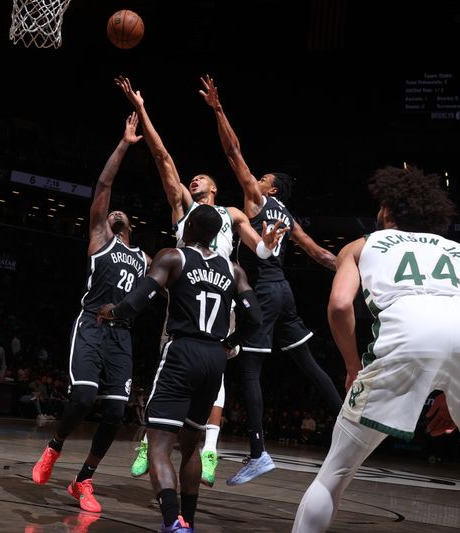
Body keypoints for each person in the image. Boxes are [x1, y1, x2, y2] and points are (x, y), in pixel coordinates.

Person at [292, 166, 460, 533]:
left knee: (335, 473)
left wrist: (352, 366)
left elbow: (341, 305)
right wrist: (458, 393)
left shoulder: (362, 244)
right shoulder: (456, 250)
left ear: (388, 211)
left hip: (410, 330)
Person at [116, 75, 280, 487]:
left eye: (202, 177)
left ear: (215, 187)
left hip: (222, 291)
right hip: (187, 290)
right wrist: (142, 109)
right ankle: (150, 441)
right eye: (194, 178)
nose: (195, 179)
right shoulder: (184, 209)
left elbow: (259, 252)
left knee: (216, 372)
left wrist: (271, 243)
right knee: (170, 363)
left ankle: (209, 450)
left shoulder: (232, 214)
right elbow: (163, 158)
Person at [198, 75, 342, 485]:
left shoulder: (259, 201)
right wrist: (358, 273)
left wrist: (218, 109)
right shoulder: (290, 219)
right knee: (307, 362)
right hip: (286, 292)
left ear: (271, 187)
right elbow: (320, 254)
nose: (254, 179)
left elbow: (233, 152)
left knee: (249, 372)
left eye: (261, 177)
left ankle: (258, 452)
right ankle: (347, 420)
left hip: (261, 291)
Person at [97, 204, 269, 533]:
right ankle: (186, 521)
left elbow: (136, 302)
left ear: (188, 228)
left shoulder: (173, 257)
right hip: (214, 357)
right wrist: (231, 341)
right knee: (191, 445)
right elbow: (257, 318)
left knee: (159, 446)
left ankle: (172, 522)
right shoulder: (234, 270)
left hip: (182, 351)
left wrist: (112, 311)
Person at [31, 113, 148, 514]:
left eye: (122, 216)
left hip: (122, 335)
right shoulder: (100, 239)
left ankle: (83, 480)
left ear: (131, 227)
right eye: (112, 213)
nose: (116, 214)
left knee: (116, 411)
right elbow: (104, 185)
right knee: (82, 397)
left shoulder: (145, 259)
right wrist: (125, 143)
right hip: (92, 327)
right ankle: (53, 448)